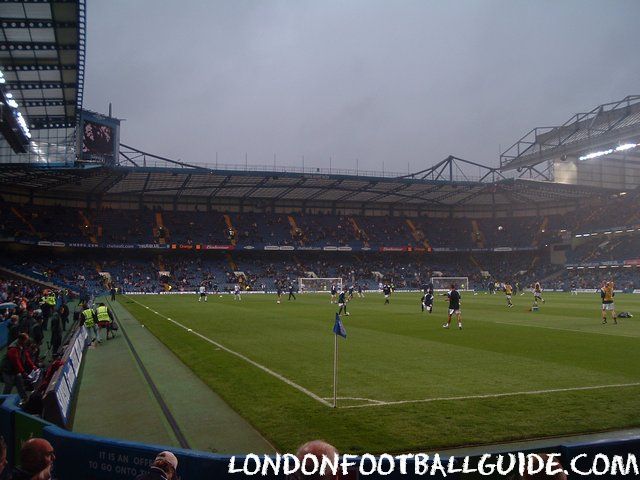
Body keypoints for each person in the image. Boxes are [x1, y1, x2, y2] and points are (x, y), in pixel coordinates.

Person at [1, 333, 36, 401]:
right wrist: (23, 372)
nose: (27, 341)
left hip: (16, 370)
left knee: (20, 385)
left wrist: (33, 366)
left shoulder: (22, 345)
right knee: (9, 386)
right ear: (21, 340)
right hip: (8, 370)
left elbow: (26, 356)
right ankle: (2, 400)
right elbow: (16, 362)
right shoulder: (13, 349)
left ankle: (25, 399)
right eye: (26, 340)